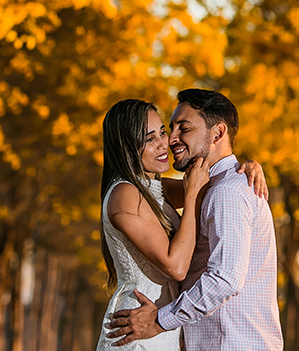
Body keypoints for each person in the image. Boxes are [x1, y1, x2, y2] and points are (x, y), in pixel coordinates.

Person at [106, 89, 283, 350]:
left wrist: (159, 321)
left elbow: (226, 278)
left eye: (182, 129)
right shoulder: (204, 187)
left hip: (227, 342)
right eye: (170, 129)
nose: (170, 140)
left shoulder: (226, 191)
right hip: (148, 326)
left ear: (218, 133)